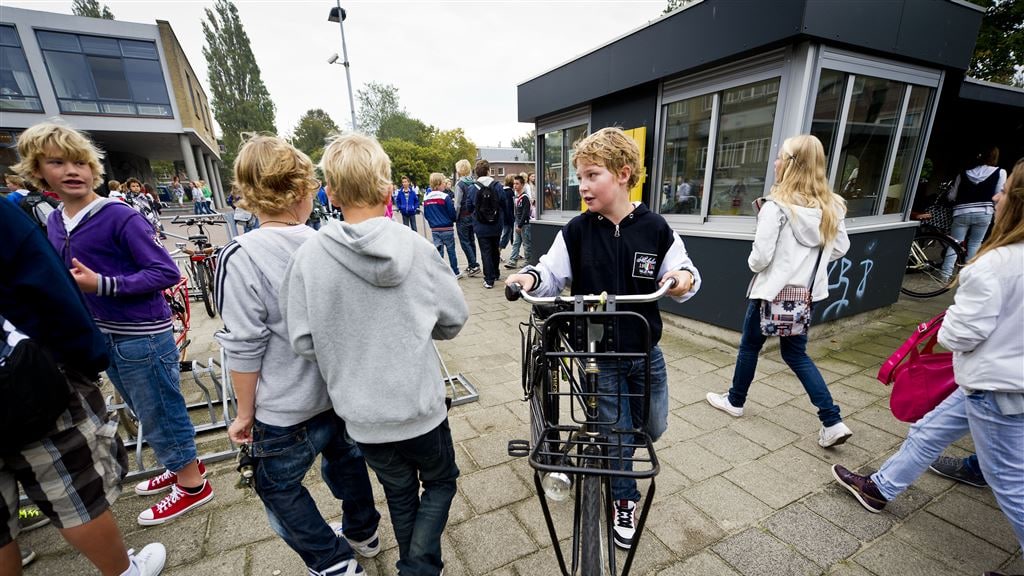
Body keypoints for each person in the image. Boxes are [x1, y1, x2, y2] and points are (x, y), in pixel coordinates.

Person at [505, 127, 699, 550]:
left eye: (593, 175)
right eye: (581, 175)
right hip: (599, 353)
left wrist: (681, 279)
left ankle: (615, 459)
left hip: (645, 350)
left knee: (651, 427)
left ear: (624, 174)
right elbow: (550, 271)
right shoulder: (577, 230)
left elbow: (685, 270)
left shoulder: (655, 228)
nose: (583, 184)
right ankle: (622, 497)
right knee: (615, 431)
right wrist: (528, 277)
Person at [282, 133, 468, 576]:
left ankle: (417, 565)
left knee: (400, 494)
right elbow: (453, 320)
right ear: (388, 190)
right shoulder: (419, 250)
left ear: (329, 192)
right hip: (420, 407)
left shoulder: (309, 258)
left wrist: (344, 344)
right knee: (441, 482)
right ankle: (419, 567)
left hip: (363, 415)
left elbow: (303, 341)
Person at [12, 122, 213, 526]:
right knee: (142, 407)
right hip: (104, 333)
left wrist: (104, 284)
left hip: (141, 334)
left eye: (80, 162)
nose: (73, 171)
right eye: (57, 162)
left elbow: (164, 272)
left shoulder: (119, 216)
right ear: (38, 171)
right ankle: (182, 468)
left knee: (161, 408)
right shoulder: (55, 221)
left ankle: (193, 485)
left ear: (94, 168)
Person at [832, 157, 1024, 561]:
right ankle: (880, 488)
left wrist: (952, 319)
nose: (996, 195)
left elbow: (960, 335)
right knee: (927, 431)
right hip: (994, 381)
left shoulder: (996, 266)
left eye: (1005, 191)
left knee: (1009, 482)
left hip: (996, 386)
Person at [216, 136, 381, 576]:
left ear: (247, 194)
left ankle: (332, 561)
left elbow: (244, 345)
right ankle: (364, 532)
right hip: (337, 395)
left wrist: (243, 414)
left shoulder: (241, 255)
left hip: (284, 407)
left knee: (277, 485)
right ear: (306, 191)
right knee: (348, 463)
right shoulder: (331, 242)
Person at [0, 199, 166, 576]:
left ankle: (186, 477)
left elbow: (163, 270)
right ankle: (125, 571)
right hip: (27, 378)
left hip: (33, 376)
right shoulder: (43, 220)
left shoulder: (119, 215)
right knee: (69, 489)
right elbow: (52, 288)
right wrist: (86, 358)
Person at [706, 135, 854, 447]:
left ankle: (734, 401)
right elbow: (841, 247)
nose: (775, 162)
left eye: (780, 157)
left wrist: (762, 264)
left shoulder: (776, 208)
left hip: (771, 294)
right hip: (804, 296)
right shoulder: (833, 207)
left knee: (749, 347)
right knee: (796, 353)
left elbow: (759, 259)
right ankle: (832, 420)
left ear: (790, 165)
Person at [940, 146, 1007, 278]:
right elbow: (998, 195)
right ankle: (968, 276)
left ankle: (944, 275)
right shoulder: (1000, 172)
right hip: (984, 212)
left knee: (954, 243)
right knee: (975, 243)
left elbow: (951, 196)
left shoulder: (963, 173)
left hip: (961, 212)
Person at [471, 159, 507, 289]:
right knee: (495, 249)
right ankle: (496, 273)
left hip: (480, 225)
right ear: (488, 171)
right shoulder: (497, 186)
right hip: (496, 223)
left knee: (485, 251)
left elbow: (470, 206)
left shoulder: (473, 188)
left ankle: (489, 279)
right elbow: (504, 202)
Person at [423, 172, 462, 278]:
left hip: (435, 229)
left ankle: (439, 273)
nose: (445, 185)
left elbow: (426, 214)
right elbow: (451, 212)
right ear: (439, 183)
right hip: (447, 228)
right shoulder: (445, 197)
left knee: (439, 252)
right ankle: (455, 271)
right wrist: (453, 220)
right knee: (451, 251)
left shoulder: (427, 198)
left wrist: (432, 223)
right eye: (444, 182)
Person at [453, 159, 481, 277]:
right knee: (471, 240)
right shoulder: (473, 182)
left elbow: (457, 204)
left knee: (464, 242)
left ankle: (474, 265)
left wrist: (455, 216)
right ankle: (472, 264)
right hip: (473, 216)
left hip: (463, 216)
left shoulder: (460, 184)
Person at [505, 175, 530, 268]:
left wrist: (520, 225)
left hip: (524, 224)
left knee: (526, 243)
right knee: (516, 242)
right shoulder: (516, 197)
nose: (515, 186)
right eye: (514, 183)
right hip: (517, 223)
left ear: (522, 185)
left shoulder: (525, 198)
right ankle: (513, 260)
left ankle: (528, 260)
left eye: (517, 184)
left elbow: (525, 213)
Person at [499, 174, 516, 250]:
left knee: (507, 234)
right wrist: (511, 219)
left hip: (503, 217)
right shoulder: (509, 193)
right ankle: (498, 252)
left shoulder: (503, 190)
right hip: (508, 218)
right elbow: (509, 207)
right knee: (506, 235)